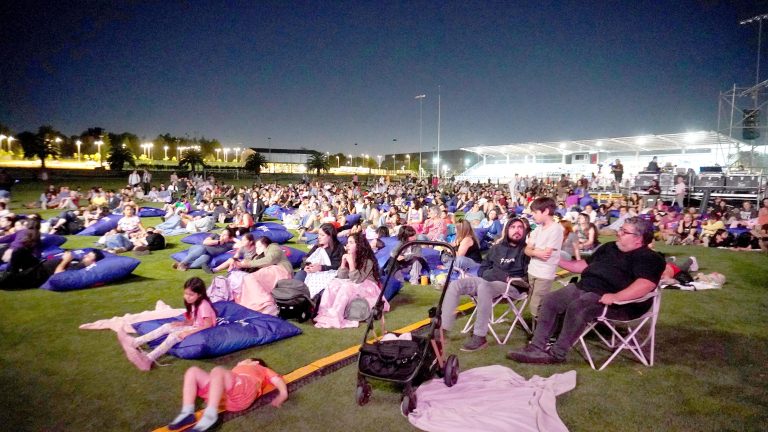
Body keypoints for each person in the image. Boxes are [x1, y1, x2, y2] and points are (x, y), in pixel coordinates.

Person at [507, 216, 664, 364]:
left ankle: (557, 354)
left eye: (624, 231)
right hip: (586, 287)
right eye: (620, 229)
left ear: (638, 239)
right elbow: (583, 266)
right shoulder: (609, 247)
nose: (619, 232)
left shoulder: (649, 258)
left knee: (579, 307)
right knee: (551, 299)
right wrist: (555, 260)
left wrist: (617, 296)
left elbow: (645, 285)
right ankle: (536, 347)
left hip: (620, 303)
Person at [440, 218, 530, 352]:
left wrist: (505, 278)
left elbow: (526, 278)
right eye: (513, 227)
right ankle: (443, 330)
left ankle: (480, 336)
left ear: (524, 231)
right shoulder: (497, 248)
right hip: (489, 281)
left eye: (520, 227)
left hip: (512, 287)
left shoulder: (527, 251)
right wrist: (497, 275)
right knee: (455, 285)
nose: (516, 230)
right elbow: (482, 269)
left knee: (484, 287)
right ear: (507, 230)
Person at [117, 277, 216, 371]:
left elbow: (208, 325)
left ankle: (148, 359)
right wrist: (182, 323)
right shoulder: (195, 302)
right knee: (167, 326)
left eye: (191, 295)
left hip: (203, 330)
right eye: (186, 293)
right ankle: (135, 342)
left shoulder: (204, 305)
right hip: (195, 326)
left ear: (199, 294)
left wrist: (187, 333)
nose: (187, 297)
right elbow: (194, 318)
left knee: (173, 336)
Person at [164, 358, 288, 432]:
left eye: (245, 360)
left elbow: (277, 379)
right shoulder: (234, 372)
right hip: (226, 398)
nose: (240, 362)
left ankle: (211, 414)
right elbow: (221, 380)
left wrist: (283, 394)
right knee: (193, 371)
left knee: (217, 371)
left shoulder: (260, 369)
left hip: (244, 391)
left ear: (254, 362)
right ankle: (187, 412)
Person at [314, 232, 385, 328]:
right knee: (333, 283)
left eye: (351, 242)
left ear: (359, 245)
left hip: (368, 287)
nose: (347, 245)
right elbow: (341, 276)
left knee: (347, 286)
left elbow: (358, 280)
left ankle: (336, 315)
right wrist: (343, 263)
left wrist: (351, 263)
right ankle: (324, 312)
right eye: (347, 242)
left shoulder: (368, 261)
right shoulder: (349, 256)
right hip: (354, 283)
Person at [524, 197, 563, 322]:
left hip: (544, 273)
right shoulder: (537, 229)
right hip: (533, 270)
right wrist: (536, 252)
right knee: (532, 302)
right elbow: (527, 250)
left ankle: (544, 334)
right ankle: (539, 331)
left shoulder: (555, 229)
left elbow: (546, 254)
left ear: (545, 211)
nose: (533, 215)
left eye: (535, 212)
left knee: (537, 305)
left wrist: (534, 251)